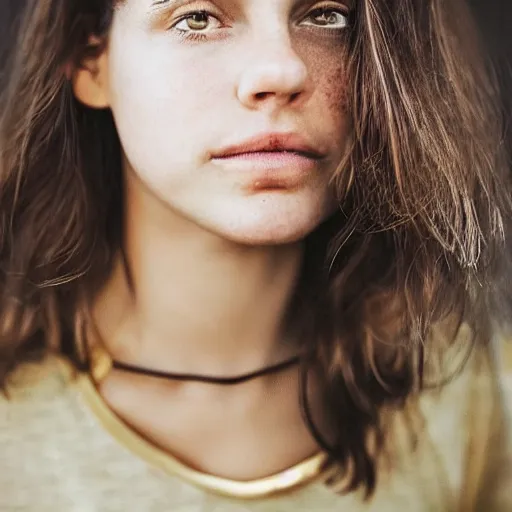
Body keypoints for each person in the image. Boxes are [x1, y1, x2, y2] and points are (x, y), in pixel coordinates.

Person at [0, 0, 511, 510]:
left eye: (327, 15)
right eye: (197, 17)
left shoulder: (471, 390)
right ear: (92, 59)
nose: (283, 69)